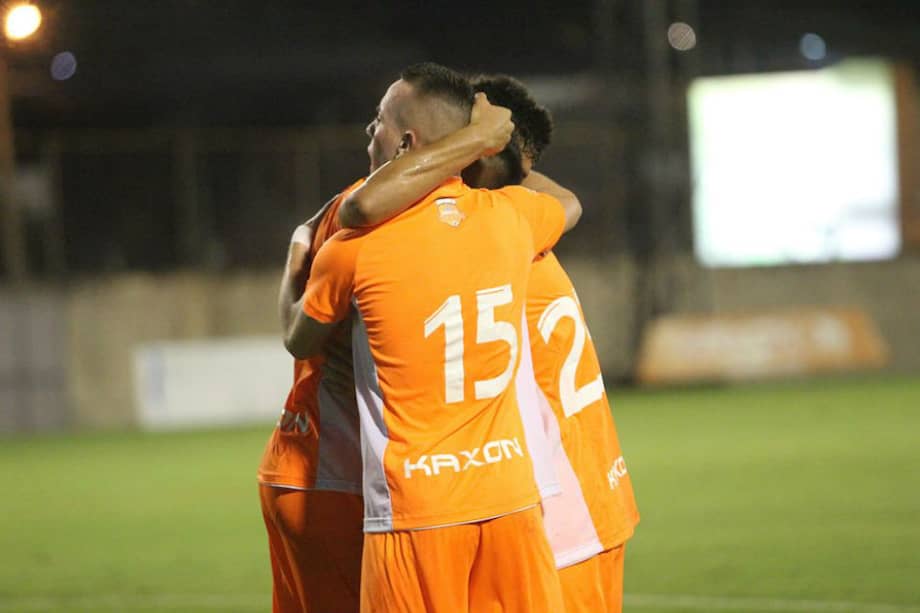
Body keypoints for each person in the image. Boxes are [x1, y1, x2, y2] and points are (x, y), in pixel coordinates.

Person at [284, 62, 581, 613]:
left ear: (406, 144)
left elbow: (298, 338)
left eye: (379, 121)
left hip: (415, 512)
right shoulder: (511, 217)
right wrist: (487, 141)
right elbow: (567, 202)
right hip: (511, 500)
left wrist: (296, 256)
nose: (369, 131)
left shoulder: (351, 247)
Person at [347, 74, 641, 613]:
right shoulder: (519, 232)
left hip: (551, 514)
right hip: (595, 496)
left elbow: (362, 209)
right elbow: (564, 200)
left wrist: (461, 146)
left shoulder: (482, 248)